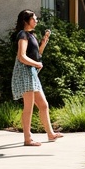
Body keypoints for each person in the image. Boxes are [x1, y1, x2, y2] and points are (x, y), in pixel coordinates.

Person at [10, 9, 62, 147]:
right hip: (25, 72)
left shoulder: (31, 35)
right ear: (26, 21)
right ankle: (28, 139)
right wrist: (37, 64)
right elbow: (21, 56)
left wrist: (43, 43)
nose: (36, 20)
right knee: (29, 107)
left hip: (31, 72)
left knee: (43, 105)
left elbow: (36, 55)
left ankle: (50, 134)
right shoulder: (23, 35)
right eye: (34, 18)